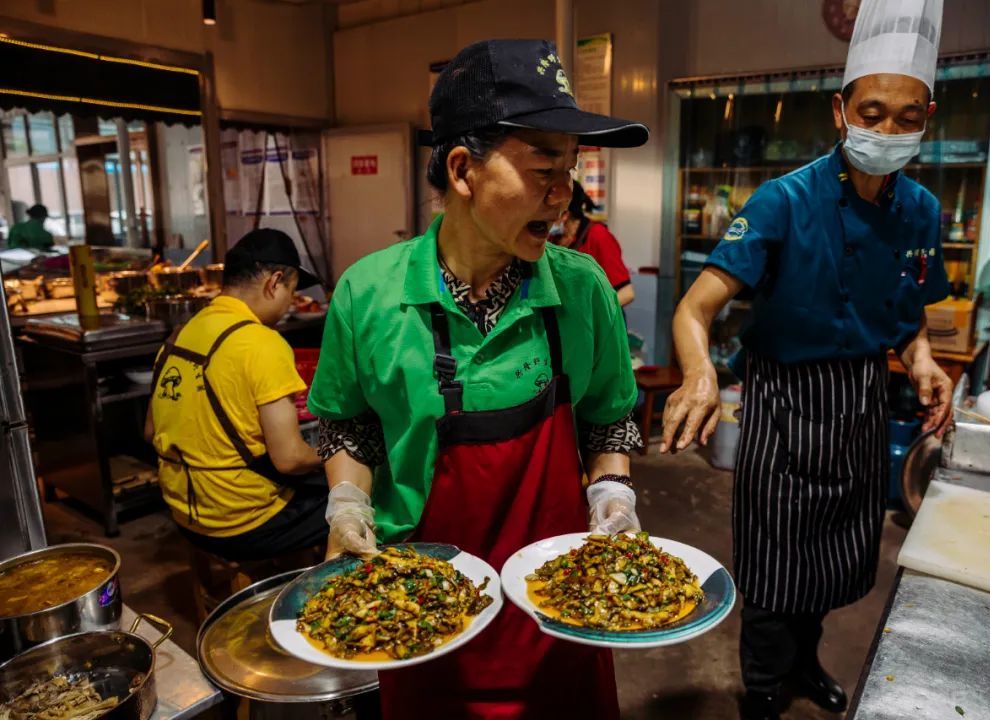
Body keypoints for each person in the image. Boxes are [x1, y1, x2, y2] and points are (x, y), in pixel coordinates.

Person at [308, 39, 648, 720]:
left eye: (571, 168)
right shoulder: (368, 292)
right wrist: (347, 505)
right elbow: (346, 424)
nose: (565, 195)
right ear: (463, 170)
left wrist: (612, 492)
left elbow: (610, 416)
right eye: (543, 168)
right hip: (421, 615)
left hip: (560, 608)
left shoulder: (583, 290)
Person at [660, 2, 953, 719]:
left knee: (830, 571)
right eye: (872, 112)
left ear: (927, 118)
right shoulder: (782, 201)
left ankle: (804, 667)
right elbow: (694, 309)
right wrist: (699, 372)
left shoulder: (920, 210)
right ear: (840, 109)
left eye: (905, 118)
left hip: (858, 404)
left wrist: (921, 360)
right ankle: (762, 690)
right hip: (785, 408)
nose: (886, 131)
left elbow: (908, 317)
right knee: (773, 575)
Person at [144, 228, 326, 562]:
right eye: (291, 291)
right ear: (274, 283)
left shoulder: (178, 336)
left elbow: (151, 432)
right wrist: (339, 453)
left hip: (183, 514)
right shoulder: (262, 343)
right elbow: (290, 459)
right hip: (243, 523)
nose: (289, 304)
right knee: (360, 499)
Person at [551, 181, 635, 306]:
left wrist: (592, 317)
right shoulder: (552, 239)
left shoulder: (597, 236)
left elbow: (626, 293)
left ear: (564, 215)